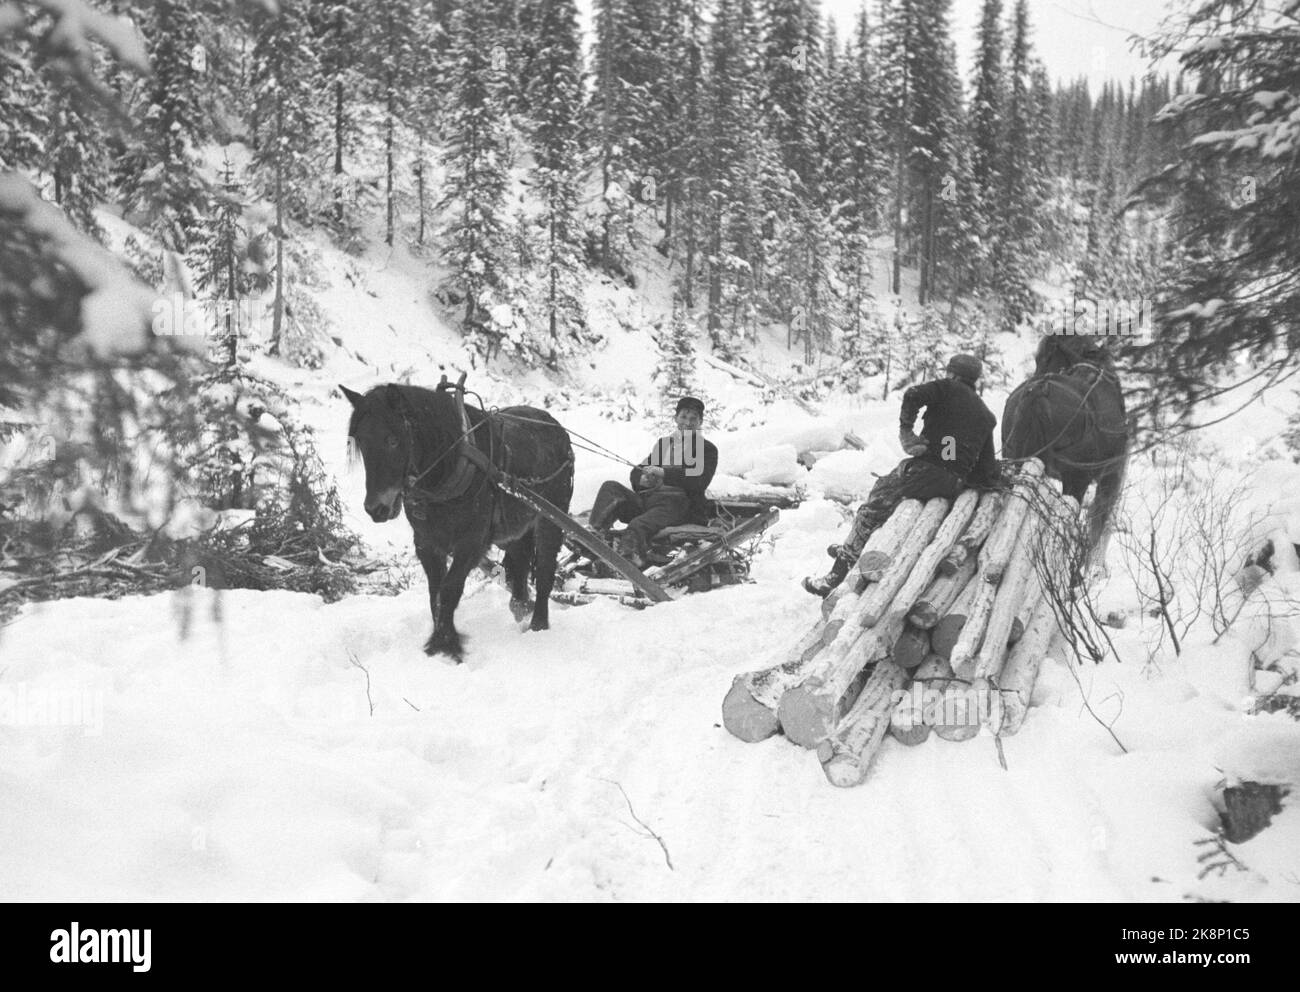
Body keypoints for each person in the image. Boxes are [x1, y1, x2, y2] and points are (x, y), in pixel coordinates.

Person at [803, 354, 1001, 597]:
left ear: (952, 374)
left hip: (925, 471)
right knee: (887, 484)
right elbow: (987, 471)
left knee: (873, 508)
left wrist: (906, 431)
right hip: (952, 482)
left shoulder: (947, 388)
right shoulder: (985, 415)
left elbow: (912, 395)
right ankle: (858, 544)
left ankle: (837, 574)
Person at [588, 396, 720, 567]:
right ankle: (594, 537)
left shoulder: (706, 449)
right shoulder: (665, 445)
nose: (687, 423)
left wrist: (664, 473)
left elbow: (698, 480)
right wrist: (642, 479)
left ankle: (628, 561)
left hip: (680, 506)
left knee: (638, 525)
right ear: (676, 418)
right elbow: (637, 471)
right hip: (650, 503)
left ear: (700, 422)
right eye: (683, 417)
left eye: (693, 418)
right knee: (610, 488)